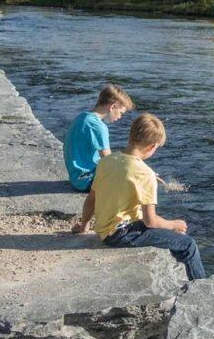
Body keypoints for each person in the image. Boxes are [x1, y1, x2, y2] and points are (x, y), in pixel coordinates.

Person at [74, 113, 205, 281]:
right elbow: (151, 221)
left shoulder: (107, 161)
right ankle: (201, 288)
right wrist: (174, 224)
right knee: (188, 245)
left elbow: (91, 199)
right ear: (152, 147)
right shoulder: (146, 174)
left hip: (107, 230)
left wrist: (84, 226)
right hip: (122, 234)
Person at [63, 84, 134, 192]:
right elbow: (109, 161)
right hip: (87, 181)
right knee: (131, 181)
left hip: (75, 177)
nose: (120, 117)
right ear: (112, 107)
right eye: (121, 113)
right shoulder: (98, 127)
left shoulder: (82, 116)